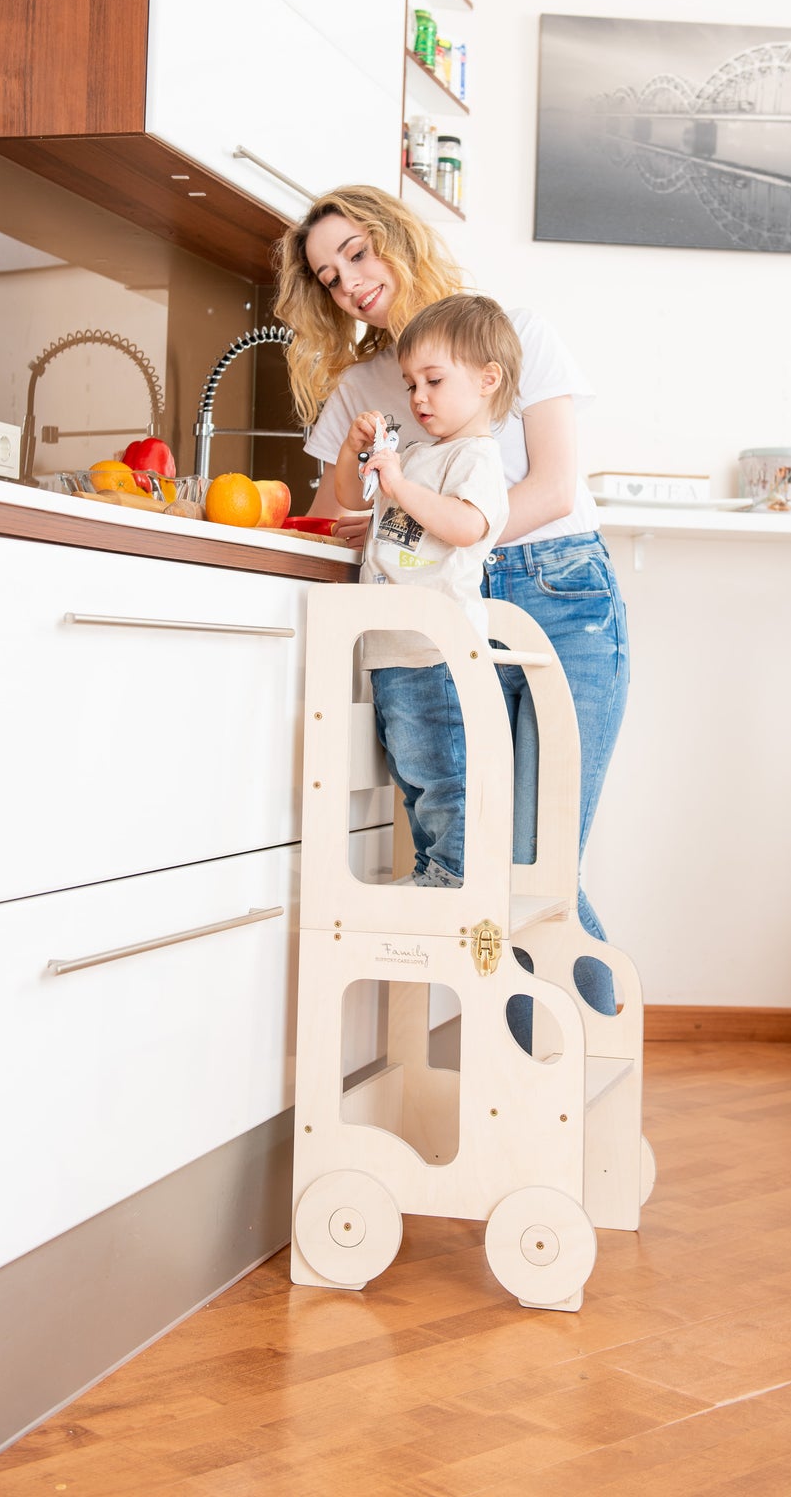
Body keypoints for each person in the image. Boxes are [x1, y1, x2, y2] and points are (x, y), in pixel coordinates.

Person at [274, 186, 629, 1015]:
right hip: (442, 615)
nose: (349, 283)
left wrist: (439, 534)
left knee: (538, 860)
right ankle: (543, 1069)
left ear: (398, 238)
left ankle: (574, 1059)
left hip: (559, 591)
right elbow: (332, 517)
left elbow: (553, 487)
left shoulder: (514, 333)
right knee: (482, 862)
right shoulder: (364, 387)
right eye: (328, 277)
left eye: (357, 253)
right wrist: (364, 485)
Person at [334, 293, 520, 887]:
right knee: (413, 776)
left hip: (438, 653)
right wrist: (355, 451)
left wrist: (399, 485)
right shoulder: (415, 456)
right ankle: (434, 869)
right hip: (395, 650)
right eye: (411, 384)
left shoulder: (476, 459)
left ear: (487, 380)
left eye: (434, 381)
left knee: (443, 775)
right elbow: (349, 496)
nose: (418, 397)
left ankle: (455, 875)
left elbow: (466, 526)